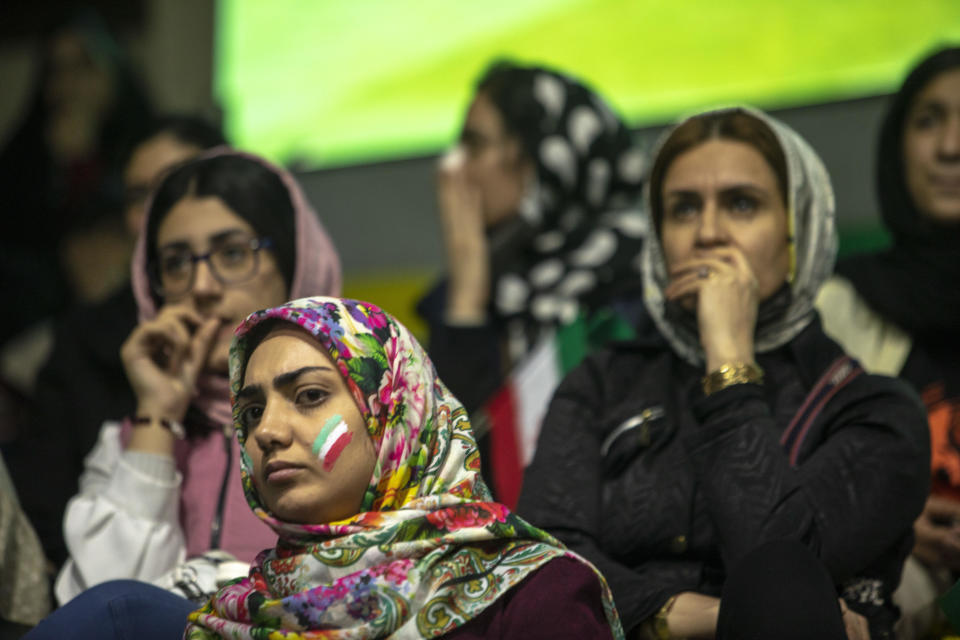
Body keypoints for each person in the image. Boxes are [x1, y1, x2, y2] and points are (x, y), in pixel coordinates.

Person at [517, 107, 930, 639]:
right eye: (683, 209)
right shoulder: (602, 382)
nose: (708, 233)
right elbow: (542, 560)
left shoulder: (875, 412)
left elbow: (783, 574)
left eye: (741, 204)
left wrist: (728, 357)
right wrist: (699, 616)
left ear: (795, 232)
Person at [24, 297, 623, 640]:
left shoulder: (532, 594)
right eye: (251, 410)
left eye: (308, 396)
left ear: (396, 414)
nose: (266, 431)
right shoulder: (234, 610)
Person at [53, 149, 342, 606]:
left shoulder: (363, 417)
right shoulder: (129, 443)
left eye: (231, 253)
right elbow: (104, 611)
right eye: (177, 263)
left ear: (293, 259)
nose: (202, 287)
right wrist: (157, 414)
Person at [417, 60, 647, 499]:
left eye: (475, 144)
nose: (451, 166)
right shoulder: (475, 288)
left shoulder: (635, 288)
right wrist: (467, 291)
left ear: (545, 158)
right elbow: (444, 471)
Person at [6, 115, 226, 570]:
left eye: (176, 185)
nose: (154, 211)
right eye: (137, 196)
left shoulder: (300, 330)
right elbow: (45, 509)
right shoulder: (85, 339)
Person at [816, 46, 960, 638]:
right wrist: (890, 514)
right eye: (929, 120)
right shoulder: (838, 304)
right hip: (887, 572)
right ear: (896, 147)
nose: (951, 145)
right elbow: (787, 467)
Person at [0, 9, 153, 348]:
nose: (68, 85)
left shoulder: (147, 146)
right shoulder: (22, 161)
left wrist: (84, 170)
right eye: (57, 69)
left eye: (83, 65)